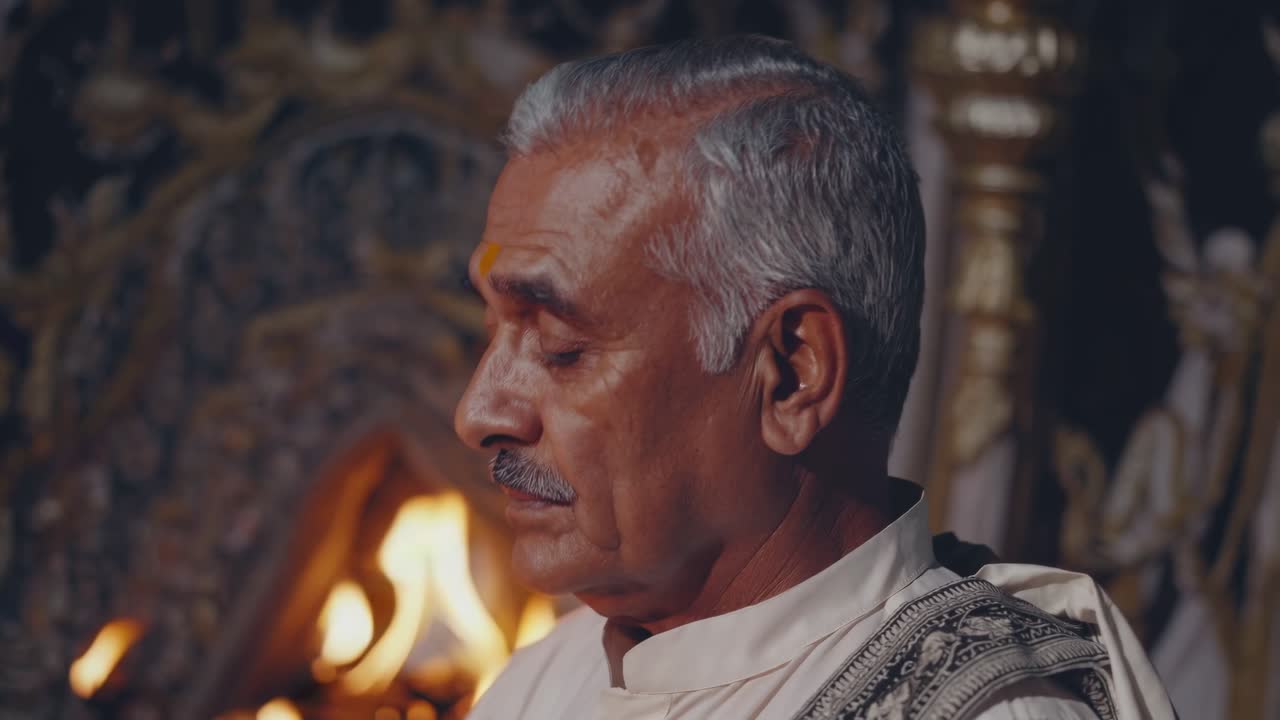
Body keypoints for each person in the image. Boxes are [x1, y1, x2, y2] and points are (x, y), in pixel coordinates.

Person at [454, 35, 1176, 720]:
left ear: (793, 373)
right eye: (493, 333)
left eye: (559, 347)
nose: (478, 412)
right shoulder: (546, 679)